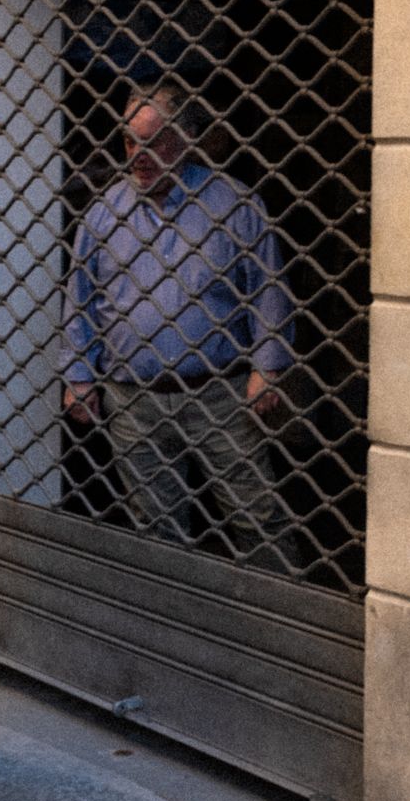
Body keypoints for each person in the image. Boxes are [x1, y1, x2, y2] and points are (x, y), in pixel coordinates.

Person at [61, 84, 297, 571]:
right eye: (130, 142)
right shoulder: (104, 213)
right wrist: (79, 376)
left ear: (187, 140)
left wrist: (268, 368)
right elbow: (80, 300)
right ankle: (168, 633)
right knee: (155, 524)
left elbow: (269, 290)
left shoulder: (234, 205)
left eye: (155, 141)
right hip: (133, 398)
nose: (140, 155)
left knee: (257, 516)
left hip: (220, 392)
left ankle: (276, 627)